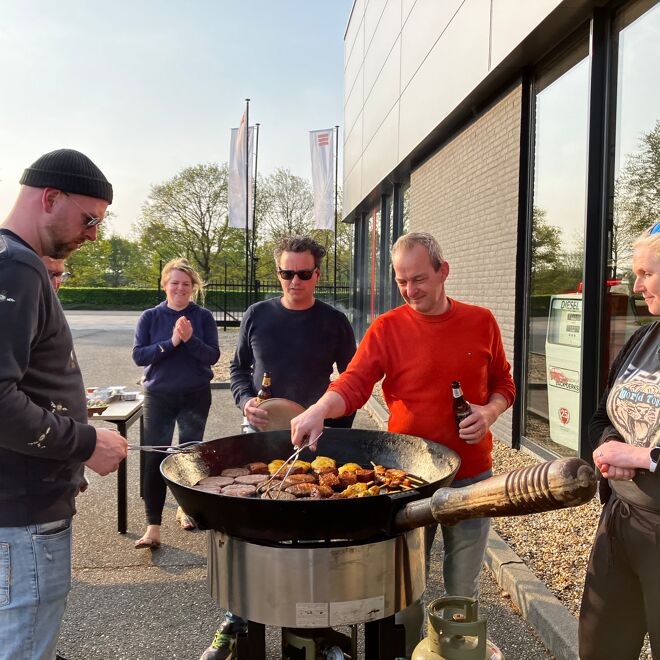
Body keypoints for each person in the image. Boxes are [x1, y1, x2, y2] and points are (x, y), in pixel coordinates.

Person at [290, 231, 515, 655]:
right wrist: (319, 409)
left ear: (442, 272)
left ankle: (453, 651)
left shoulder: (481, 321)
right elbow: (354, 382)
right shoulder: (388, 328)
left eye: (419, 279)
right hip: (409, 478)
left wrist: (489, 412)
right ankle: (406, 651)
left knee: (462, 586)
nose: (410, 290)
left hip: (471, 476)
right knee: (405, 585)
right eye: (401, 281)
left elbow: (504, 381)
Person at [200, 235, 356, 660]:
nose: (294, 281)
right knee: (250, 527)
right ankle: (236, 617)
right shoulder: (257, 314)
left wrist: (335, 430)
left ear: (317, 274)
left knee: (312, 532)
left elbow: (350, 380)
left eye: (304, 273)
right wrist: (242, 401)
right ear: (278, 272)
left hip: (315, 440)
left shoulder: (334, 321)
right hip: (259, 434)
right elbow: (237, 369)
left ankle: (318, 626)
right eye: (287, 273)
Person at [0, 148, 129, 660]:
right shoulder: (18, 269)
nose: (94, 234)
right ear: (50, 197)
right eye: (89, 218)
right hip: (24, 517)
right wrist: (84, 442)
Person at [579, 222, 660, 659]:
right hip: (619, 519)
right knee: (599, 646)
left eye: (646, 273)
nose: (635, 284)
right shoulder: (642, 338)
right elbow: (599, 416)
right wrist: (610, 448)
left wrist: (646, 457)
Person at [133, 258, 220, 549]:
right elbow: (139, 356)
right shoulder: (150, 317)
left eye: (185, 284)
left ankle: (185, 508)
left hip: (194, 395)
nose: (180, 288)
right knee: (155, 456)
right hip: (159, 397)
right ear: (165, 285)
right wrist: (171, 342)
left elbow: (212, 356)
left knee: (188, 454)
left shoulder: (203, 317)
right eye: (174, 283)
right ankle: (152, 526)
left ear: (193, 287)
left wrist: (190, 340)